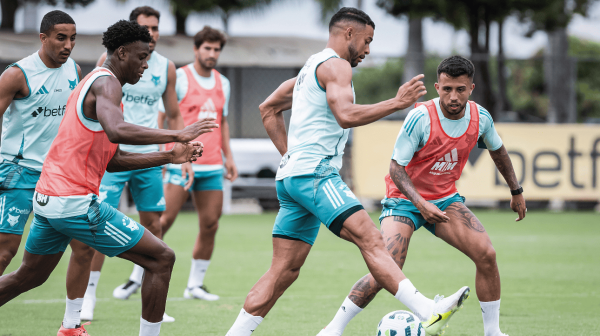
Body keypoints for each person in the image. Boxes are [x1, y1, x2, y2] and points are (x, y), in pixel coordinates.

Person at [225, 8, 469, 336]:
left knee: (284, 270)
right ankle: (428, 310)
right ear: (349, 34)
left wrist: (292, 158)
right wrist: (395, 104)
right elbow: (345, 114)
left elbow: (267, 108)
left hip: (294, 177)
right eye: (367, 41)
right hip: (313, 173)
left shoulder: (308, 70)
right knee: (372, 238)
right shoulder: (337, 66)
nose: (368, 50)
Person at [0, 20, 217, 336]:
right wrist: (177, 133)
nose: (145, 65)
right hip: (73, 203)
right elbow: (117, 130)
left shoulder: (94, 83)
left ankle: (70, 329)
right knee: (161, 259)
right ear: (122, 52)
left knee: (28, 276)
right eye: (141, 57)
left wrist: (170, 155)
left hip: (48, 201)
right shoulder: (108, 84)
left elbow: (113, 161)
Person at [317, 56, 526, 336]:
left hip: (445, 201)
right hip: (404, 200)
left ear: (471, 88)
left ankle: (493, 332)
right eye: (447, 89)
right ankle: (333, 329)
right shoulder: (421, 118)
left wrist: (516, 191)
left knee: (487, 254)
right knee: (387, 266)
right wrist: (420, 203)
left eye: (460, 89)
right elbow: (396, 168)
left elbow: (498, 150)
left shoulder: (481, 118)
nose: (453, 96)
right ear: (437, 86)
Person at [80, 6, 187, 323]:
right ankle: (89, 297)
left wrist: (179, 149)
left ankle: (152, 299)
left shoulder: (166, 67)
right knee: (97, 226)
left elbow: (174, 113)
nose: (152, 34)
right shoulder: (108, 64)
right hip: (112, 156)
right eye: (146, 28)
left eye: (156, 27)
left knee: (154, 225)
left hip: (149, 158)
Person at [0, 10, 99, 335]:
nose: (68, 45)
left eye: (72, 38)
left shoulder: (74, 70)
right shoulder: (17, 75)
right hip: (18, 172)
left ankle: (71, 325)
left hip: (60, 176)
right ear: (43, 38)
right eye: (61, 37)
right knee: (5, 253)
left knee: (84, 246)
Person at [157, 25, 237, 302]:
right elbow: (163, 118)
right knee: (164, 220)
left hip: (213, 164)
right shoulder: (179, 77)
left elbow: (222, 122)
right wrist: (166, 154)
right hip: (180, 163)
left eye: (217, 49)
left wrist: (229, 157)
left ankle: (195, 285)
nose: (212, 53)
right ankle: (138, 274)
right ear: (196, 49)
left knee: (211, 224)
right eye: (207, 48)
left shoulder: (223, 82)